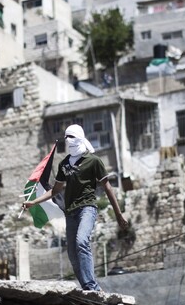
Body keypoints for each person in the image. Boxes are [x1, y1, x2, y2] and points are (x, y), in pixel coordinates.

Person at [23, 124, 128, 291]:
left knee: (81, 242)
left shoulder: (93, 161)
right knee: (72, 254)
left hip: (87, 208)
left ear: (80, 137)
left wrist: (118, 214)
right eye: (66, 137)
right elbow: (55, 190)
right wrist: (34, 202)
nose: (68, 140)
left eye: (71, 137)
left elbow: (107, 187)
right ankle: (87, 287)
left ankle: (92, 287)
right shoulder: (64, 164)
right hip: (70, 212)